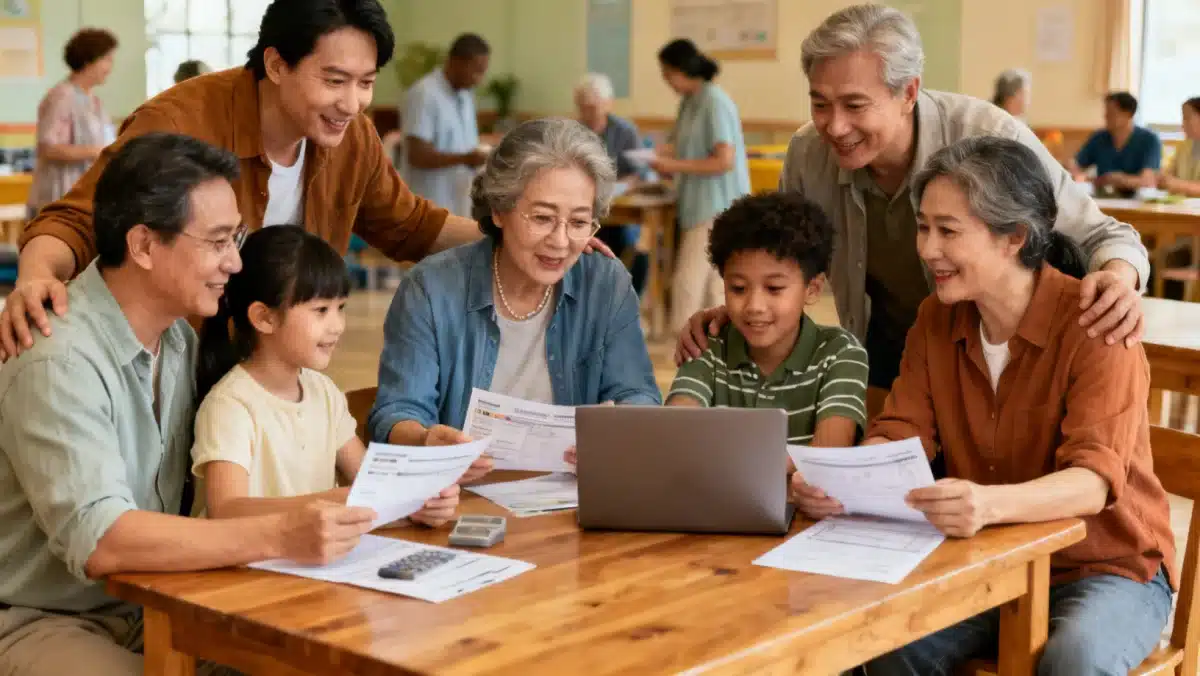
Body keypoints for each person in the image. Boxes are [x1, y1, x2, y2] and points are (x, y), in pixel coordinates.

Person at [2, 0, 615, 362]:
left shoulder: (351, 137)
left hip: (261, 364)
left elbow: (409, 225)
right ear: (275, 63)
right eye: (334, 80)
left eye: (367, 82)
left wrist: (524, 235)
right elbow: (76, 220)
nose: (352, 102)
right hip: (159, 359)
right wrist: (33, 277)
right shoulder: (180, 122)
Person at [790, 137, 1175, 675]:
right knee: (877, 643)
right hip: (988, 558)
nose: (926, 249)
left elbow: (1092, 482)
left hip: (1105, 566)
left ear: (1014, 238)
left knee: (1072, 661)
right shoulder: (935, 318)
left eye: (948, 231)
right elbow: (902, 430)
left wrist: (988, 504)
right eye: (923, 227)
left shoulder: (1097, 323)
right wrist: (847, 478)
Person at [0, 133, 378, 676]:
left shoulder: (177, 340)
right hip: (50, 618)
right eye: (219, 240)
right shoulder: (58, 360)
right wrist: (279, 533)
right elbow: (105, 541)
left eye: (237, 238)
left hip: (162, 598)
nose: (234, 262)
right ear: (144, 246)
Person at [675, 3, 1151, 419]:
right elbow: (783, 262)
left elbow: (1103, 234)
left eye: (854, 105)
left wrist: (1120, 276)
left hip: (997, 358)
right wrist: (738, 308)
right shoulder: (807, 152)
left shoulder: (986, 135)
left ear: (908, 93)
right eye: (820, 104)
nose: (834, 126)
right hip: (889, 355)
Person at [369, 118, 661, 483]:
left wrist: (619, 428)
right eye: (542, 218)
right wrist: (426, 441)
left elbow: (638, 394)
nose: (560, 240)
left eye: (578, 222)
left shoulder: (605, 283)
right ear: (499, 209)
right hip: (460, 502)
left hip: (575, 500)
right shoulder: (430, 289)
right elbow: (397, 412)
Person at [190, 225, 459, 525]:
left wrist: (419, 504)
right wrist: (336, 501)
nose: (337, 325)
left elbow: (371, 488)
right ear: (264, 318)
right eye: (320, 310)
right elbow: (227, 510)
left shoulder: (324, 392)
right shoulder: (230, 405)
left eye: (340, 308)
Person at [666, 191, 868, 448]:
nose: (754, 306)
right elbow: (678, 432)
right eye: (738, 288)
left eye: (774, 288)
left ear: (813, 289)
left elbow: (827, 456)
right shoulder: (708, 346)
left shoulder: (840, 354)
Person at [649, 38, 750, 333]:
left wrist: (673, 166)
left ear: (682, 69)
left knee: (687, 282)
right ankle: (711, 347)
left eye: (667, 73)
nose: (666, 80)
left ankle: (682, 345)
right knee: (712, 285)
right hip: (697, 203)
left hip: (717, 204)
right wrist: (657, 156)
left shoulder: (714, 101)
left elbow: (724, 160)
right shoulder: (689, 102)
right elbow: (679, 145)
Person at [27, 28, 117, 218]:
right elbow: (48, 148)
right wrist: (99, 151)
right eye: (107, 59)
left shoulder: (94, 100)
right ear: (88, 60)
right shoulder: (62, 96)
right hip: (60, 194)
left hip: (85, 195)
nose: (110, 67)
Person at [574, 72, 650, 297]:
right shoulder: (572, 131)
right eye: (583, 107)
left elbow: (639, 172)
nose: (588, 114)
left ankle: (627, 297)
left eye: (593, 107)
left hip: (620, 205)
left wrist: (620, 185)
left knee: (632, 246)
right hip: (585, 207)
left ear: (608, 104)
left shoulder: (625, 131)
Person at [400, 33, 491, 217]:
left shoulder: (465, 95)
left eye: (482, 72)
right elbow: (417, 155)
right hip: (428, 207)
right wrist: (466, 159)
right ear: (455, 62)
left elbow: (463, 145)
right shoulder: (424, 94)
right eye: (476, 70)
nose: (478, 79)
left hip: (459, 203)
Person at [1069, 91, 1162, 195]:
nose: (1106, 116)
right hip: (1103, 196)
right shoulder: (1099, 138)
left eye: (1111, 113)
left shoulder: (1150, 140)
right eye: (1106, 112)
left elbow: (1148, 181)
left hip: (1137, 200)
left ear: (1128, 114)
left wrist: (1120, 180)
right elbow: (1076, 166)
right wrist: (1079, 175)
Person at [1158, 96, 1200, 196]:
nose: (1183, 124)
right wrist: (1162, 179)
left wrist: (1178, 185)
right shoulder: (1185, 146)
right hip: (1184, 207)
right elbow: (1168, 175)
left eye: (1187, 118)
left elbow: (1174, 183)